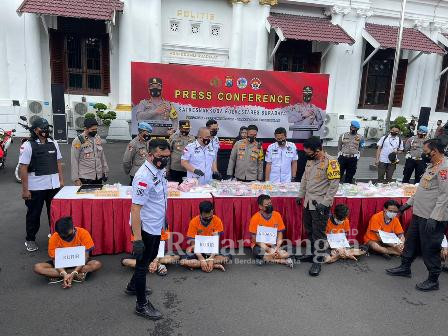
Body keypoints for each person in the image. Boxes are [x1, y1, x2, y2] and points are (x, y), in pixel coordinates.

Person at [387, 138, 448, 291]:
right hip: (419, 214)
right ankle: (405, 267)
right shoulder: (431, 166)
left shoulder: (444, 168)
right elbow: (421, 189)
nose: (424, 154)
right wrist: (407, 205)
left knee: (429, 248)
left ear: (434, 151)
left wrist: (435, 218)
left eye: (426, 151)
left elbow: (444, 196)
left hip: (432, 218)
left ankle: (433, 280)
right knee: (411, 242)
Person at [125, 138, 171, 320]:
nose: (165, 160)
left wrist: (164, 218)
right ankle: (141, 305)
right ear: (150, 155)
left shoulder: (159, 170)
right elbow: (135, 208)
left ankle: (132, 286)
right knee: (143, 265)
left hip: (156, 224)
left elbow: (160, 198)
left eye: (167, 156)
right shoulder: (143, 176)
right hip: (145, 227)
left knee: (150, 257)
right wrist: (137, 238)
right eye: (161, 156)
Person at [296, 136, 340, 276]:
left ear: (317, 150)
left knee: (318, 233)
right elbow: (304, 178)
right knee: (309, 230)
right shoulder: (310, 161)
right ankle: (311, 254)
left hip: (320, 205)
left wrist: (325, 203)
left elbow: (334, 186)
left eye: (309, 152)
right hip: (308, 202)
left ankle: (318, 261)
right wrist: (300, 195)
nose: (307, 155)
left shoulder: (331, 162)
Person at [19, 117, 64, 252]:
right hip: (36, 187)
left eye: (46, 128)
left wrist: (61, 181)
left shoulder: (54, 143)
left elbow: (58, 163)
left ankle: (55, 236)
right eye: (41, 128)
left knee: (55, 214)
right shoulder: (27, 145)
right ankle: (30, 239)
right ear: (35, 130)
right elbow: (23, 168)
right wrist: (25, 190)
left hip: (53, 186)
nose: (45, 131)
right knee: (34, 214)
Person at [33, 217, 102, 287]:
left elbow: (85, 256)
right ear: (57, 232)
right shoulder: (54, 238)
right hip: (60, 264)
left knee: (96, 264)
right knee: (37, 267)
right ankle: (75, 275)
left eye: (69, 235)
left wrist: (74, 272)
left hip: (80, 262)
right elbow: (55, 260)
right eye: (63, 237)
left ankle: (57, 275)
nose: (67, 238)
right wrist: (64, 273)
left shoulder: (83, 233)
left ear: (73, 227)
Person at [180, 201, 229, 272]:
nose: (209, 218)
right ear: (201, 213)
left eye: (210, 216)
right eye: (206, 217)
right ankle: (213, 265)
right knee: (182, 262)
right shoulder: (194, 222)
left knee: (226, 258)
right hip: (198, 250)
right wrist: (201, 258)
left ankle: (200, 264)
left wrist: (211, 258)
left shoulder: (217, 220)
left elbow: (216, 242)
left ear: (213, 211)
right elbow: (193, 244)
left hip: (212, 250)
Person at [248, 195, 294, 267]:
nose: (269, 205)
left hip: (274, 245)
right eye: (267, 204)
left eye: (270, 203)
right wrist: (267, 249)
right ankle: (281, 260)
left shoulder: (277, 215)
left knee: (292, 249)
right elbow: (254, 238)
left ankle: (267, 258)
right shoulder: (255, 218)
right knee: (257, 252)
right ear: (260, 207)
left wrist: (277, 247)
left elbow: (280, 233)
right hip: (260, 245)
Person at [71, 118, 109, 186]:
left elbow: (102, 156)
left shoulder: (97, 138)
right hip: (85, 177)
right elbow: (74, 160)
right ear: (86, 128)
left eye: (96, 129)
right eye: (92, 130)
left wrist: (105, 171)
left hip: (98, 176)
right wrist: (76, 179)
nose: (95, 131)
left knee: (98, 196)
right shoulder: (78, 140)